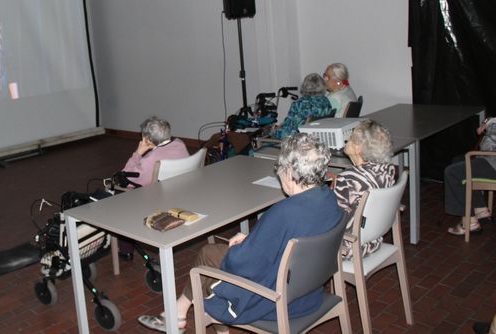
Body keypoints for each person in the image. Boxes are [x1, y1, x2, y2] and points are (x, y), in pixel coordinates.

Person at [137, 133, 343, 333]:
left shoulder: (283, 212)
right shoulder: (328, 199)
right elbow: (291, 240)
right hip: (307, 293)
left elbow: (243, 264)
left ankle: (183, 315)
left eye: (279, 168)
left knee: (207, 256)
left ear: (289, 173)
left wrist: (241, 247)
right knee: (212, 254)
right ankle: (178, 312)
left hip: (273, 300)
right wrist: (253, 240)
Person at [445, 108, 496, 236]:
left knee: (452, 172)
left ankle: (469, 224)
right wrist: (491, 121)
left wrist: (489, 124)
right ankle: (480, 208)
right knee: (459, 160)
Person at [333, 119, 397, 258]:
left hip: (349, 247)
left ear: (359, 148)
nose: (346, 140)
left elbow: (333, 220)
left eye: (350, 138)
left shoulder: (347, 179)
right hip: (374, 240)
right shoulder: (387, 171)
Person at [122, 116, 189, 187]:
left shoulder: (150, 159)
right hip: (182, 186)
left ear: (147, 140)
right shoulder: (180, 144)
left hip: (160, 194)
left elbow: (126, 179)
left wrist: (137, 154)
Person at [272, 73, 332, 139]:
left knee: (273, 131)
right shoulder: (325, 101)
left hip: (300, 135)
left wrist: (277, 128)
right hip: (320, 134)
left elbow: (289, 124)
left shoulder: (299, 103)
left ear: (305, 86)